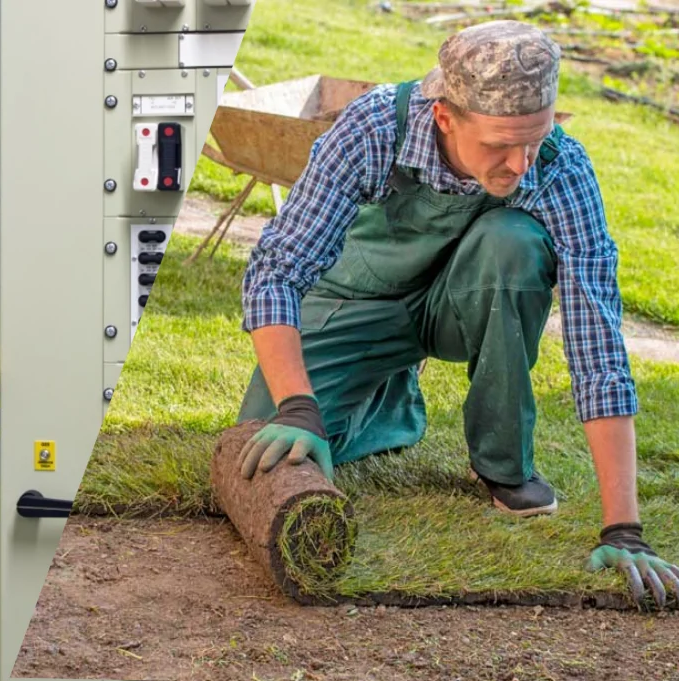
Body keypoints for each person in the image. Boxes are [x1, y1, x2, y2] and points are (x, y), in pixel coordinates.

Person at [235, 21, 679, 607]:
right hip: (356, 301)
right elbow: (277, 271)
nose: (521, 164)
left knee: (514, 242)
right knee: (272, 442)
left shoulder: (561, 169)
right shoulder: (373, 129)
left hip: (464, 305)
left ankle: (502, 465)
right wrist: (297, 405)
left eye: (535, 141)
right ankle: (391, 399)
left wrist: (624, 527)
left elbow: (596, 342)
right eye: (500, 145)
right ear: (446, 117)